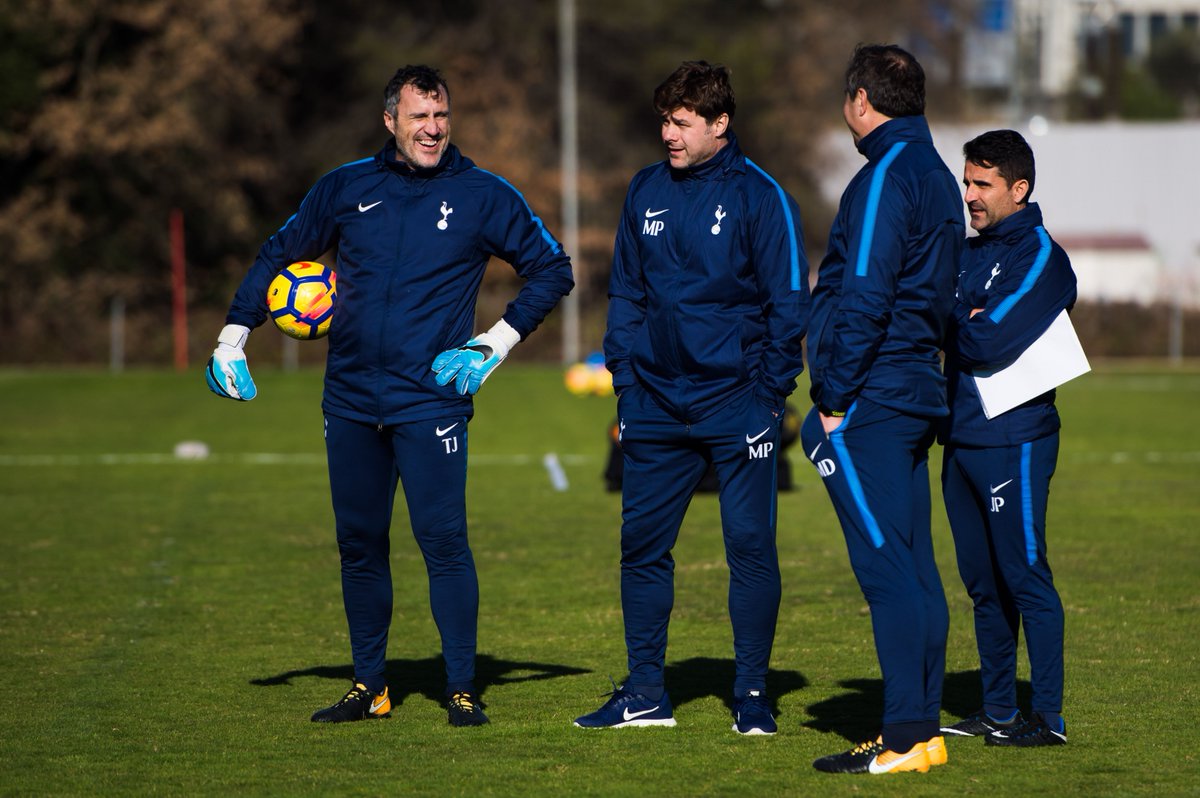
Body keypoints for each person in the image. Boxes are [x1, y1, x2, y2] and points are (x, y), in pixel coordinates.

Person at [205, 65, 573, 727]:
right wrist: (233, 336)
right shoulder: (346, 187)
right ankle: (369, 686)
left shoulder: (484, 195)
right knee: (359, 543)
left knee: (443, 542)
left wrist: (495, 343)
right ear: (390, 122)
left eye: (441, 117)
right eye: (418, 118)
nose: (432, 130)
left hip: (430, 400)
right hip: (347, 400)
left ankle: (461, 686)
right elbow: (277, 254)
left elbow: (553, 268)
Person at [574, 61, 810, 735]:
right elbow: (627, 291)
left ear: (719, 123)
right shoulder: (645, 188)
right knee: (641, 550)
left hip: (738, 406)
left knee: (750, 549)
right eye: (664, 121)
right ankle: (646, 693)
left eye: (681, 122)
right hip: (653, 404)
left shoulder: (762, 197)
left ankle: (753, 695)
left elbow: (788, 304)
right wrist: (626, 379)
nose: (668, 134)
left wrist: (766, 396)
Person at [801, 44, 962, 774]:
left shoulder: (886, 176)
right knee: (916, 568)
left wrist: (833, 397)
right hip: (914, 389)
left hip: (871, 395)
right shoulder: (934, 173)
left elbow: (866, 290)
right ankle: (921, 730)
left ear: (860, 101)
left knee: (887, 571)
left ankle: (901, 736)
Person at [938, 130, 1075, 747]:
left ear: (1019, 189)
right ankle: (996, 710)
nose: (969, 194)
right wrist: (960, 317)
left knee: (1024, 575)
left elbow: (989, 339)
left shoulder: (1042, 255)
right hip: (959, 436)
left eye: (982, 183)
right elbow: (942, 320)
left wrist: (964, 321)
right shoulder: (967, 253)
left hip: (1015, 437)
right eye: (967, 181)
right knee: (982, 584)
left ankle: (1047, 718)